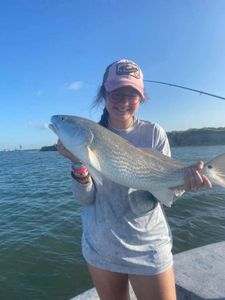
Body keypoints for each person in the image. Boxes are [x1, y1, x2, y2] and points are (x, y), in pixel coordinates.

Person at [57, 59, 212, 300]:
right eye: (116, 94)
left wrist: (185, 183)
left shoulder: (154, 133)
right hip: (101, 246)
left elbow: (165, 193)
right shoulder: (87, 140)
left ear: (142, 98)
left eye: (132, 95)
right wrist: (78, 163)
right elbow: (85, 199)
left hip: (148, 246)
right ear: (104, 94)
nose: (124, 102)